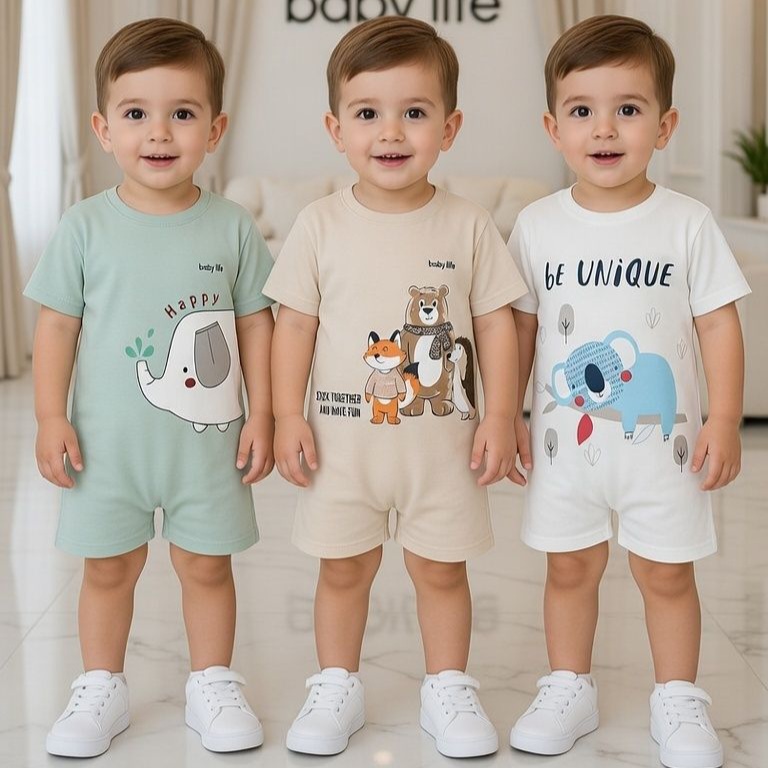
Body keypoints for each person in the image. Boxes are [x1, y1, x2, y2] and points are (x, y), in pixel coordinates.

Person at [263, 16, 528, 759]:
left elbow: (497, 325)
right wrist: (286, 415)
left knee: (441, 571)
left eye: (414, 111)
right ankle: (336, 684)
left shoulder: (469, 225)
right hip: (341, 446)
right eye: (367, 113)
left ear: (449, 127)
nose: (390, 131)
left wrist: (500, 414)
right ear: (335, 128)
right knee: (342, 569)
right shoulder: (318, 224)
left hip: (441, 449)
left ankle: (448, 687)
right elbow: (293, 326)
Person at [24, 18, 275, 758]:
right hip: (106, 448)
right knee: (108, 568)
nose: (158, 132)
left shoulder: (232, 227)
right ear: (103, 129)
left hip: (208, 447)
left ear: (215, 128)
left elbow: (258, 326)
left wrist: (265, 411)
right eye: (136, 113)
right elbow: (56, 326)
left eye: (183, 113)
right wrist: (49, 416)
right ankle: (100, 684)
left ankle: (212, 681)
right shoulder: (83, 227)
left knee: (207, 565)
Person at [507, 15, 750, 768]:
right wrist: (505, 414)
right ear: (553, 128)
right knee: (568, 568)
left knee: (667, 573)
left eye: (629, 108)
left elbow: (719, 324)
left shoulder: (687, 223)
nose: (604, 128)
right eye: (581, 110)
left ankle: (677, 695)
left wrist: (725, 417)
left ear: (665, 125)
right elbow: (520, 331)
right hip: (566, 447)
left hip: (663, 447)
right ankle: (568, 685)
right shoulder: (537, 226)